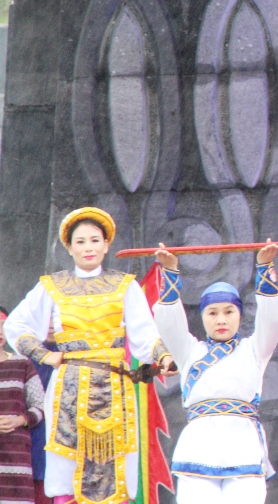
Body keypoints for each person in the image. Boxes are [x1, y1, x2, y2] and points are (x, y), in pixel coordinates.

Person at [4, 207, 175, 504]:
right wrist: (45, 356)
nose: (88, 248)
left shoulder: (125, 285)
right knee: (68, 460)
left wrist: (163, 359)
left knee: (115, 462)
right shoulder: (52, 286)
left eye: (95, 240)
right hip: (69, 387)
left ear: (106, 245)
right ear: (69, 248)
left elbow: (145, 334)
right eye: (80, 241)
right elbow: (16, 325)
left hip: (115, 387)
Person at [152, 239, 278, 504]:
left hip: (243, 450)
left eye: (229, 312)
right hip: (198, 450)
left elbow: (273, 320)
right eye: (212, 313)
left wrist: (264, 266)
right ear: (202, 317)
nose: (221, 320)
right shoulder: (189, 351)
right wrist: (170, 270)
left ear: (239, 315)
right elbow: (169, 323)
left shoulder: (254, 349)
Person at [0, 307, 46, 504]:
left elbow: (41, 405)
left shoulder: (22, 363)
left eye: (4, 326)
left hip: (16, 454)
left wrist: (19, 420)